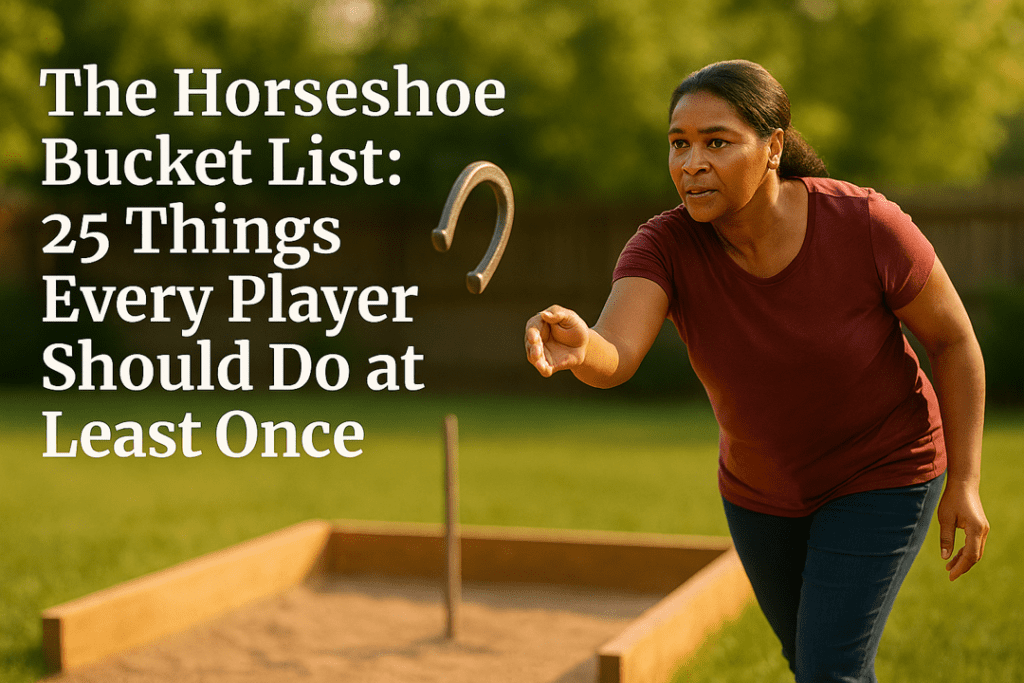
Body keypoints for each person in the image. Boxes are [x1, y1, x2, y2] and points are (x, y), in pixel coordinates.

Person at [524, 59, 989, 682]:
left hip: (884, 470)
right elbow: (616, 353)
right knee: (811, 662)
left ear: (772, 148)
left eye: (717, 142)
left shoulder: (865, 224)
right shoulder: (664, 244)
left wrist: (964, 480)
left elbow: (954, 342)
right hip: (760, 492)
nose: (691, 163)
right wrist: (582, 349)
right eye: (679, 144)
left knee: (829, 669)